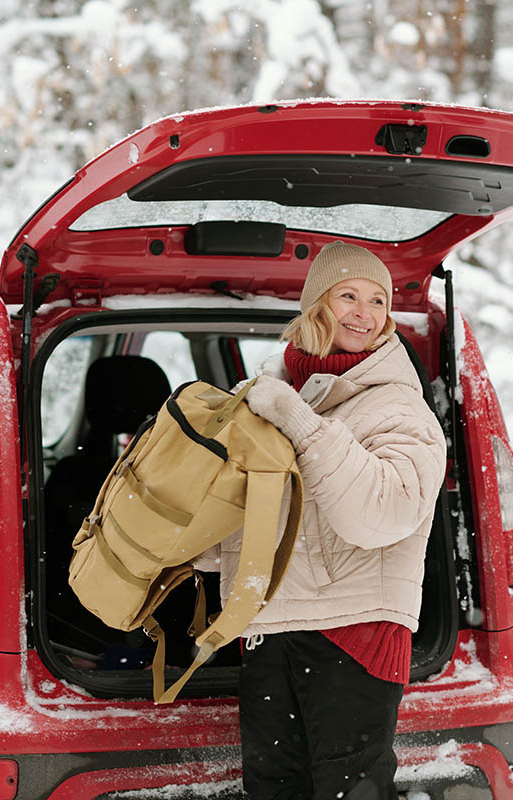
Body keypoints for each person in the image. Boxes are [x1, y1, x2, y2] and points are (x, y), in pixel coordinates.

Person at [193, 241, 447, 800]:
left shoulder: (398, 405)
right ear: (316, 306)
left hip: (352, 630)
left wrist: (302, 426)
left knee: (349, 793)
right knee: (274, 790)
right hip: (269, 625)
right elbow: (263, 514)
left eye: (377, 301)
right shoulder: (275, 395)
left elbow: (380, 515)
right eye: (349, 296)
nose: (364, 312)